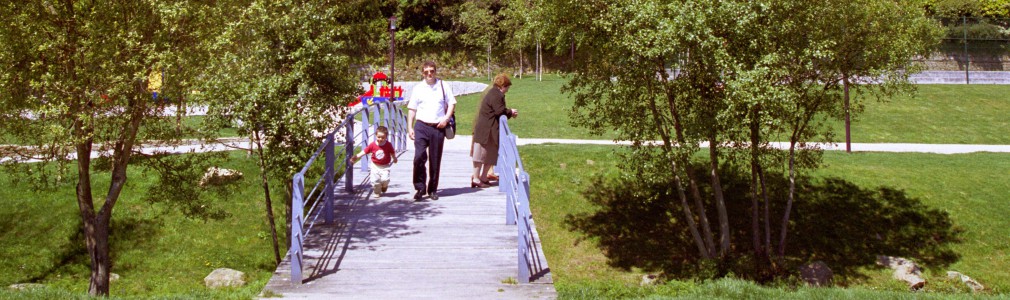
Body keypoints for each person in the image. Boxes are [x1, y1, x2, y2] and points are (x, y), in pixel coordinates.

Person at [407, 61, 456, 201]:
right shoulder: (418, 88)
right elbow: (412, 109)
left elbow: (452, 103)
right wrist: (410, 127)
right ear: (423, 72)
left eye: (432, 71)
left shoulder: (443, 85)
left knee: (435, 159)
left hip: (438, 127)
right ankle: (420, 188)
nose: (429, 73)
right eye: (427, 71)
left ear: (435, 71)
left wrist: (446, 119)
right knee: (418, 157)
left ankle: (433, 189)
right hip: (421, 126)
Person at [470, 74, 517, 188]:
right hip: (486, 130)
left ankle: (484, 177)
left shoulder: (493, 92)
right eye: (507, 88)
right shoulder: (497, 95)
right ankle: (476, 178)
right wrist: (511, 112)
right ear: (503, 86)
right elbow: (499, 111)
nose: (507, 90)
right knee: (480, 154)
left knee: (490, 154)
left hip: (490, 129)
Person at [350, 126, 397, 197]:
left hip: (385, 166)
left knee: (385, 179)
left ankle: (384, 186)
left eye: (383, 137)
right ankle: (377, 192)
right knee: (375, 180)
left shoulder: (388, 145)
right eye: (378, 137)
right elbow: (364, 151)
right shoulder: (373, 145)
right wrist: (356, 157)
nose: (380, 139)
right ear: (376, 135)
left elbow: (392, 152)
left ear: (386, 137)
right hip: (375, 165)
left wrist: (394, 158)